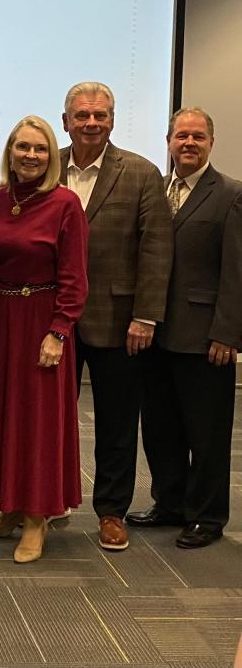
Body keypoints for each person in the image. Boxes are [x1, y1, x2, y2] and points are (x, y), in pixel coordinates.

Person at [0, 116, 89, 563]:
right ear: (10, 152)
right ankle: (11, 508)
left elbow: (75, 279)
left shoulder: (66, 204)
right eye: (23, 147)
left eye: (40, 148)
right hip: (0, 320)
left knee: (37, 423)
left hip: (42, 323)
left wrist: (59, 332)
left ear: (50, 154)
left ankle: (37, 520)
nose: (31, 156)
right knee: (4, 415)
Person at [60, 81, 172, 552]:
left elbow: (156, 249)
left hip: (119, 320)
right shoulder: (44, 166)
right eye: (82, 115)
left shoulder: (142, 173)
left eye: (100, 115)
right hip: (55, 321)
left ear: (111, 120)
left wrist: (146, 316)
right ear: (66, 120)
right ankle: (44, 505)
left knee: (118, 423)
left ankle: (111, 512)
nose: (91, 123)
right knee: (50, 420)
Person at [128, 108, 242, 548]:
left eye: (197, 136)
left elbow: (237, 270)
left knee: (207, 432)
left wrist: (228, 333)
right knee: (160, 427)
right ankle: (170, 503)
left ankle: (207, 516)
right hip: (153, 332)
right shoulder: (155, 189)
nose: (188, 143)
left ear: (210, 143)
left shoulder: (230, 194)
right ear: (169, 141)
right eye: (181, 136)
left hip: (205, 337)